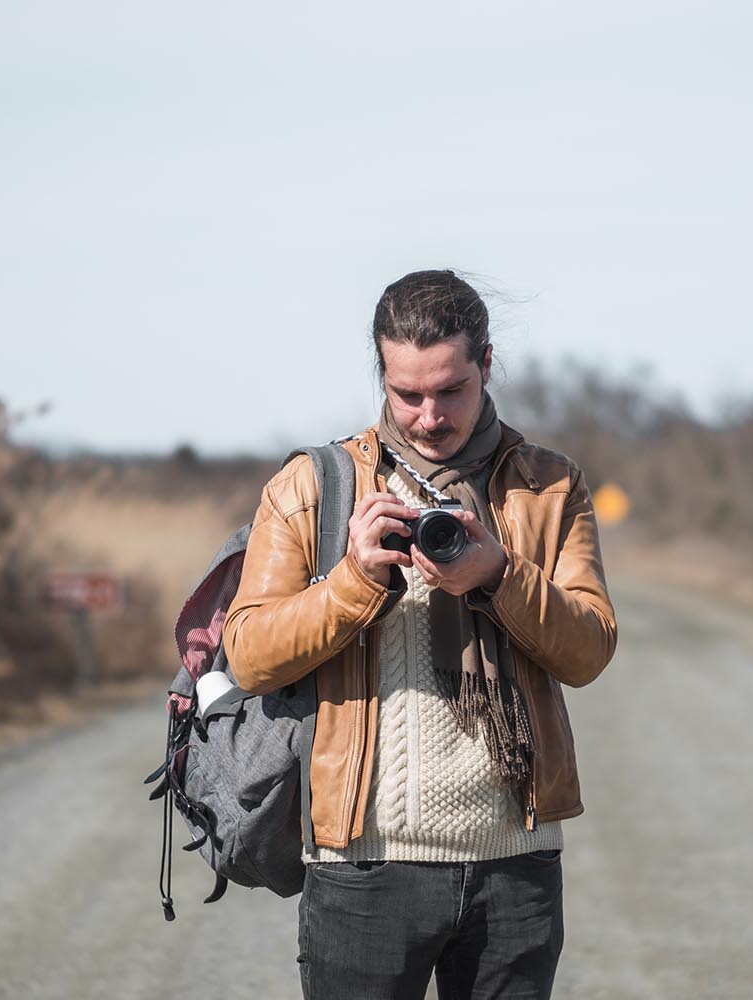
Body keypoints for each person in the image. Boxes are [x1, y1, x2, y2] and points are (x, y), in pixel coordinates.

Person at [222, 269, 617, 1000]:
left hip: (515, 865)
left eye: (450, 390)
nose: (429, 415)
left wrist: (500, 576)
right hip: (363, 867)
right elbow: (249, 655)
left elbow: (589, 648)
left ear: (487, 365)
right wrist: (355, 580)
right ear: (382, 372)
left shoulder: (549, 486)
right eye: (408, 394)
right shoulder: (312, 488)